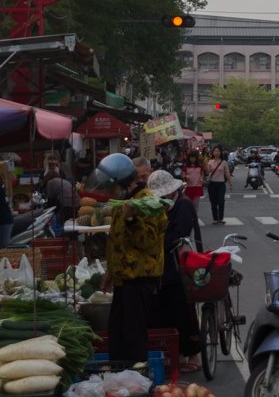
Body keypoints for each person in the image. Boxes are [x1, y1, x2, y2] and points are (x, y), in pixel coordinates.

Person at [92, 153, 167, 364]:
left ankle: (136, 378)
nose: (108, 191)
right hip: (123, 278)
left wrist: (133, 218)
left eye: (111, 187)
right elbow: (116, 240)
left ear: (124, 182)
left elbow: (149, 241)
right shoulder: (124, 201)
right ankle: (119, 375)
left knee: (133, 335)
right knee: (117, 333)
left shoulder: (148, 203)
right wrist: (110, 271)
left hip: (140, 278)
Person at [147, 170, 203, 374]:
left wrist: (155, 243)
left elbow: (179, 234)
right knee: (165, 311)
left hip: (179, 265)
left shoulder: (184, 205)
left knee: (184, 311)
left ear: (172, 192)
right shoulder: (160, 206)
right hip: (162, 267)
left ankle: (194, 354)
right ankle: (176, 353)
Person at [205, 145, 232, 225]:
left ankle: (221, 218)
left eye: (218, 151)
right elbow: (207, 172)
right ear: (213, 152)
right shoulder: (210, 161)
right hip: (212, 184)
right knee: (213, 202)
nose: (216, 153)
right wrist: (206, 164)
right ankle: (215, 219)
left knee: (221, 201)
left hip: (221, 184)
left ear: (220, 152)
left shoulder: (224, 162)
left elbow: (227, 173)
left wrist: (230, 183)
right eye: (215, 151)